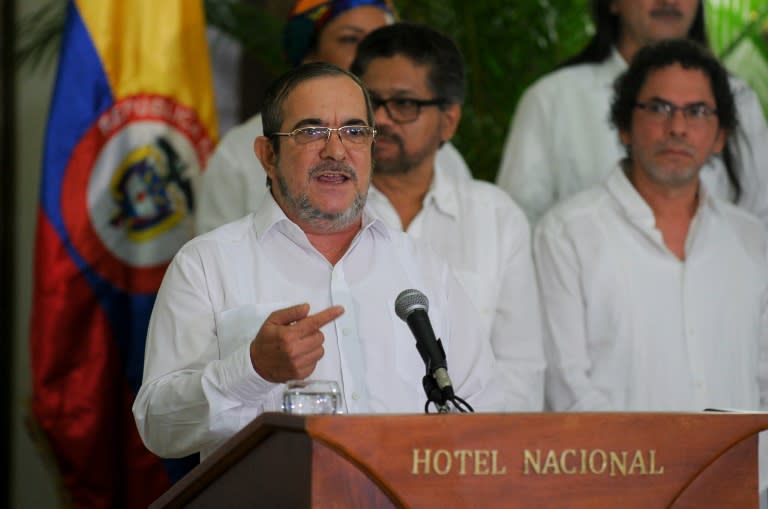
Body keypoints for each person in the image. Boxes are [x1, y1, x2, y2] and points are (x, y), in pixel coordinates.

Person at [132, 62, 504, 460]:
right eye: (311, 132)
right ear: (267, 156)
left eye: (355, 132)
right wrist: (251, 369)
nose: (336, 150)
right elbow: (158, 426)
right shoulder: (207, 264)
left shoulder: (422, 267)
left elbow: (484, 411)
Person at [534, 38, 768, 413]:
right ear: (625, 125)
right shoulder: (567, 235)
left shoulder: (752, 241)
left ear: (720, 136)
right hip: (616, 469)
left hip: (740, 472)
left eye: (697, 111)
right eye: (659, 108)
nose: (677, 127)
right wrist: (656, 467)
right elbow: (565, 390)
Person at [350, 23, 545, 411]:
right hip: (350, 452)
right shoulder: (320, 214)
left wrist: (458, 452)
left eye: (404, 104)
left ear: (449, 120)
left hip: (467, 455)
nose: (383, 120)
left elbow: (520, 373)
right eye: (371, 103)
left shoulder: (495, 218)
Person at [195, 0, 471, 234]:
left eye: (380, 40)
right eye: (351, 39)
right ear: (310, 54)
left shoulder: (428, 151)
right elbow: (218, 271)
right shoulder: (239, 153)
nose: (369, 53)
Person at [496, 0, 768, 227]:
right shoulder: (553, 98)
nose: (668, 0)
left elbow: (761, 222)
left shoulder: (738, 100)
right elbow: (516, 229)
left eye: (696, 112)